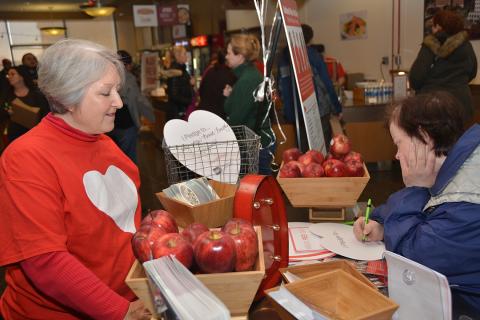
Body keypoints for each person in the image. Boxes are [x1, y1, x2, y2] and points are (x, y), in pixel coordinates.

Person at [0, 39, 150, 320]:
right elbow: (44, 259)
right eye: (105, 93)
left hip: (129, 299)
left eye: (117, 90)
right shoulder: (27, 158)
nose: (118, 102)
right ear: (68, 97)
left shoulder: (104, 143)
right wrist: (118, 311)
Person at [353, 92, 480, 318]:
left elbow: (413, 262)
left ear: (423, 139)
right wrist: (380, 223)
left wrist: (415, 187)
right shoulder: (457, 166)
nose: (397, 154)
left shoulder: (467, 206)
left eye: (399, 144)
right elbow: (423, 209)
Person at [278, 24, 342, 150]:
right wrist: (337, 108)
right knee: (321, 149)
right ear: (310, 39)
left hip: (296, 112)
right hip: (318, 110)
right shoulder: (313, 55)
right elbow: (326, 84)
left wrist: (289, 112)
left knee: (303, 150)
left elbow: (282, 86)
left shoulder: (284, 58)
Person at [409, 9, 477, 124]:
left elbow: (416, 79)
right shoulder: (466, 45)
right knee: (460, 141)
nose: (432, 29)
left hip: (433, 107)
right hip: (462, 106)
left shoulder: (430, 45)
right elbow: (472, 72)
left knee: (436, 141)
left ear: (440, 26)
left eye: (434, 26)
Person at [223, 33, 275, 175]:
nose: (226, 56)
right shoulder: (250, 75)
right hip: (259, 143)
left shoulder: (247, 80)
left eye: (228, 53)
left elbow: (236, 120)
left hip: (254, 147)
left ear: (240, 56)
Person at [109, 50, 155, 163]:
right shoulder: (128, 78)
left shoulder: (107, 75)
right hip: (127, 123)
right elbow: (137, 99)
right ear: (127, 65)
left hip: (111, 123)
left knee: (116, 157)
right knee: (129, 158)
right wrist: (151, 115)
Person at [3, 65, 50, 142]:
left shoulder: (37, 94)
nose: (9, 77)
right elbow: (4, 109)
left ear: (21, 76)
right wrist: (7, 111)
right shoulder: (7, 95)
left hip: (35, 133)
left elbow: (46, 112)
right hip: (16, 134)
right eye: (8, 75)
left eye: (12, 74)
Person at [197, 49, 236, 119]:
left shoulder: (210, 71)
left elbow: (201, 91)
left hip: (203, 113)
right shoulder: (230, 75)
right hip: (218, 117)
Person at [166, 45, 194, 120]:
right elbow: (174, 95)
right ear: (178, 56)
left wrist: (190, 84)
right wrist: (190, 101)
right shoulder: (175, 72)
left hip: (181, 110)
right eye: (184, 54)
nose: (186, 56)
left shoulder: (182, 69)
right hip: (178, 113)